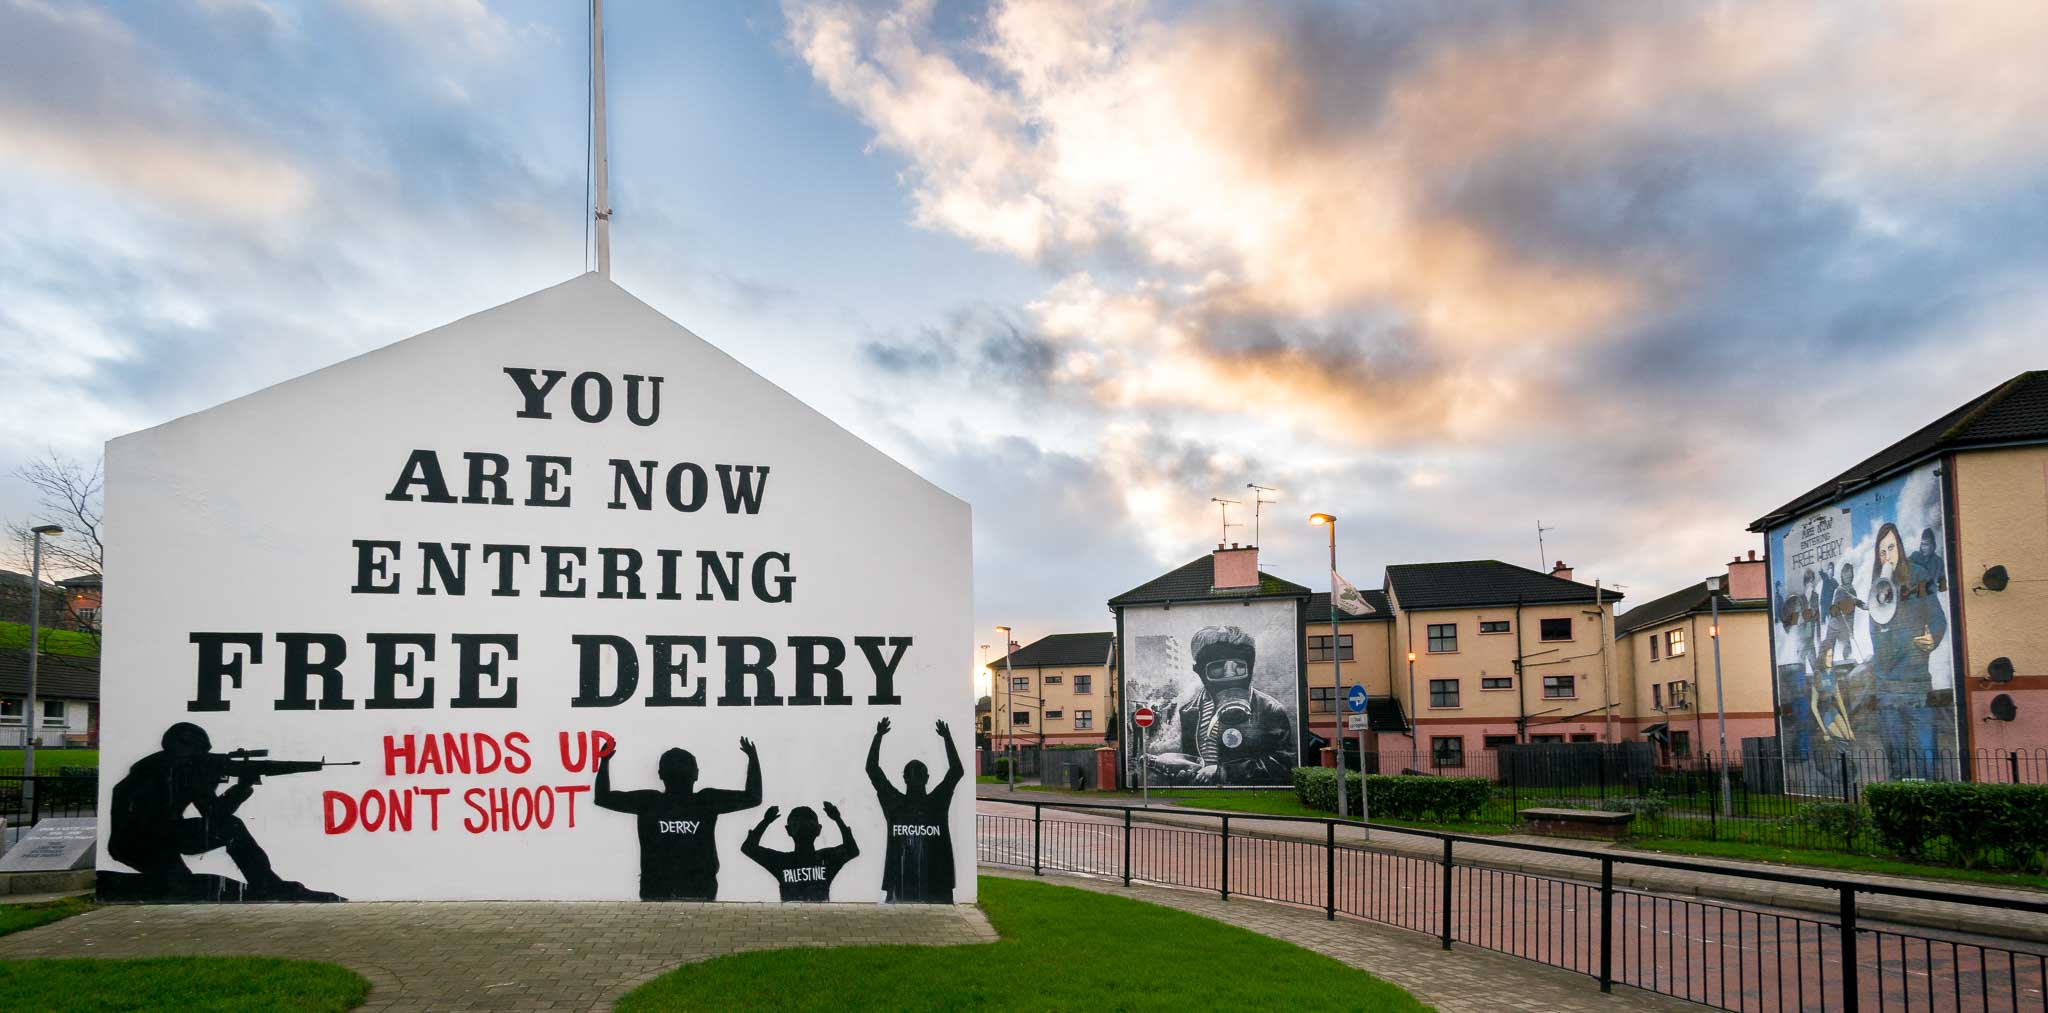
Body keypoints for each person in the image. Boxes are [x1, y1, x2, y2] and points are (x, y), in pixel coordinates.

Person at [106, 722, 340, 902]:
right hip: (145, 842)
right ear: (189, 751)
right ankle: (266, 885)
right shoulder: (180, 770)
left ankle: (267, 885)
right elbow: (215, 815)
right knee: (231, 827)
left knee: (180, 884)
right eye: (201, 754)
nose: (205, 758)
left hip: (146, 838)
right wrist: (241, 787)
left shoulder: (153, 765)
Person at [595, 736, 761, 901]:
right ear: (695, 774)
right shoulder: (706, 800)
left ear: (661, 774)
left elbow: (603, 798)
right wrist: (753, 758)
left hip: (657, 888)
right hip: (698, 888)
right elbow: (753, 797)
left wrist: (604, 761)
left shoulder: (648, 801)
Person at [1148, 626, 1295, 786]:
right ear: (1198, 671)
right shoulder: (1189, 712)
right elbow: (1194, 760)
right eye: (1218, 666)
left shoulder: (1270, 710)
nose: (1230, 674)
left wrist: (1224, 772)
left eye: (1239, 665)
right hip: (1202, 799)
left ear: (1250, 667)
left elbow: (1283, 764)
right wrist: (1185, 773)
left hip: (1246, 797)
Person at [1866, 522, 1948, 778]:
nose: (1887, 555)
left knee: (1927, 759)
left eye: (1891, 547)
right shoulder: (1877, 587)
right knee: (1898, 765)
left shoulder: (1919, 575)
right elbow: (1875, 636)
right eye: (1882, 552)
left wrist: (1932, 638)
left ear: (1899, 546)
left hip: (1916, 686)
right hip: (1887, 690)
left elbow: (1937, 618)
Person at [866, 717, 962, 903]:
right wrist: (947, 737)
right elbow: (956, 771)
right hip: (932, 881)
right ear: (927, 778)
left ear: (904, 778)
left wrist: (878, 736)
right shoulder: (936, 801)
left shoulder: (895, 803)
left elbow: (872, 769)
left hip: (906, 880)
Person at [741, 802, 859, 902]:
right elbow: (851, 849)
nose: (803, 827)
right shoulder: (827, 858)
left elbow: (749, 848)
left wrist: (766, 821)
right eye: (797, 823)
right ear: (818, 830)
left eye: (808, 823)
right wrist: (837, 819)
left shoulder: (782, 861)